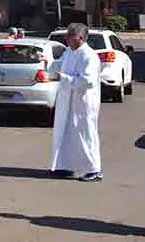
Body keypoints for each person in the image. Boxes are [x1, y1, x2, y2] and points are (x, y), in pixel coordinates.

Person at [49, 22, 102, 182]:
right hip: (67, 101)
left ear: (80, 37)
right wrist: (47, 61)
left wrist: (63, 78)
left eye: (69, 36)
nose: (66, 39)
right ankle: (66, 166)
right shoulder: (70, 52)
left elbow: (88, 81)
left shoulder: (88, 56)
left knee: (85, 135)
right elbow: (61, 66)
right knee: (67, 134)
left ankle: (93, 170)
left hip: (82, 103)